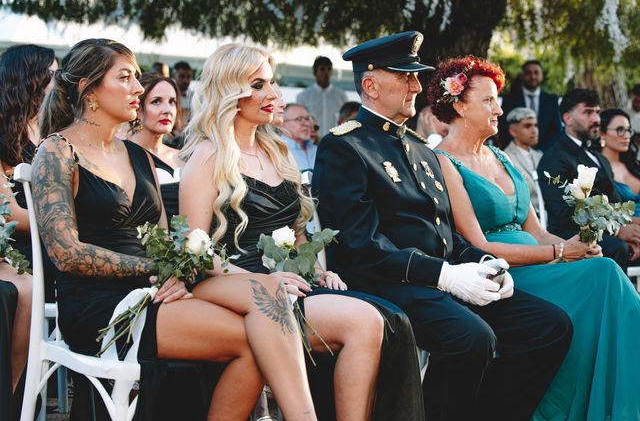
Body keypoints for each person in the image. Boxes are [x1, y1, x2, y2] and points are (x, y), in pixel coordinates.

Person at [34, 38, 322, 421]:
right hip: (98, 305)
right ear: (89, 89)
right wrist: (154, 273)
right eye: (125, 78)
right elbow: (66, 254)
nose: (139, 88)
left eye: (138, 77)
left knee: (267, 300)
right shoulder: (56, 151)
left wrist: (176, 275)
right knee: (257, 338)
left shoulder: (138, 155)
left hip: (155, 293)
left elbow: (170, 236)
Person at [313, 31, 573, 421]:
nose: (417, 85)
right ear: (370, 85)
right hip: (388, 280)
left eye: (416, 76)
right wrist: (444, 275)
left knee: (549, 326)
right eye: (405, 76)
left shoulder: (419, 148)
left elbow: (443, 231)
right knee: (470, 338)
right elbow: (359, 243)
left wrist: (484, 262)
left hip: (442, 276)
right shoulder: (345, 146)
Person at [180, 43, 424, 421]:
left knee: (369, 321)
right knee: (276, 291)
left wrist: (315, 269)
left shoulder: (277, 151)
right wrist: (264, 279)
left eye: (272, 83)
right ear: (230, 91)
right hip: (222, 279)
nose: (272, 94)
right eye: (257, 85)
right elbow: (193, 250)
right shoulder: (207, 156)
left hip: (284, 284)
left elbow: (296, 234)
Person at [430, 55, 640, 421]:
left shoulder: (500, 156)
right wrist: (558, 252)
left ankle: (610, 404)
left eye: (498, 98)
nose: (499, 109)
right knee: (606, 276)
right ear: (459, 105)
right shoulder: (443, 161)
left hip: (543, 260)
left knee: (602, 267)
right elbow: (479, 245)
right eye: (489, 100)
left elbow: (537, 231)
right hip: (503, 274)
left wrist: (573, 250)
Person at [0, 44, 57, 401]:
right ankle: (13, 394)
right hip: (22, 245)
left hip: (51, 244)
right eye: (53, 74)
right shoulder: (5, 137)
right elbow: (9, 215)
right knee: (29, 287)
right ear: (31, 81)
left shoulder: (52, 132)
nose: (60, 82)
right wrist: (61, 219)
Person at [538, 89, 640, 268]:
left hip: (606, 231)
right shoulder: (554, 157)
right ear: (567, 118)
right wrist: (617, 231)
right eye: (588, 112)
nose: (596, 119)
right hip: (571, 235)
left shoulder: (599, 158)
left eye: (597, 112)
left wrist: (632, 231)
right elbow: (564, 212)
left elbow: (614, 203)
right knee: (618, 247)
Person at [129, 73, 184, 220]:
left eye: (172, 101)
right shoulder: (124, 154)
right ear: (139, 109)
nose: (167, 110)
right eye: (156, 101)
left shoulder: (184, 156)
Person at [498, 60, 561, 150]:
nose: (532, 76)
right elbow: (503, 128)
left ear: (542, 76)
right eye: (528, 73)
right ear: (522, 76)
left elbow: (556, 130)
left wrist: (543, 151)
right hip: (516, 153)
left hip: (546, 153)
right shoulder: (509, 99)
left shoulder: (552, 100)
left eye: (536, 72)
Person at [503, 107, 546, 224]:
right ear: (513, 131)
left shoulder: (540, 156)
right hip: (525, 222)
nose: (534, 130)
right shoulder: (506, 158)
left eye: (535, 125)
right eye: (527, 126)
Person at [600, 108, 640, 215]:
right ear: (602, 134)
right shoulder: (595, 169)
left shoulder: (633, 164)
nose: (627, 136)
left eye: (628, 130)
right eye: (620, 130)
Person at [296, 56, 348, 137]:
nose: (326, 72)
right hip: (312, 142)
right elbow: (299, 122)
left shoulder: (341, 96)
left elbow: (346, 122)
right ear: (315, 72)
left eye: (329, 69)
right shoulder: (303, 96)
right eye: (322, 69)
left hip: (335, 142)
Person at [280, 103, 317, 172]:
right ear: (282, 123)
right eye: (299, 119)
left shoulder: (316, 148)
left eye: (307, 119)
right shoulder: (276, 151)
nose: (306, 124)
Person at [173, 61, 195, 127]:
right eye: (181, 76)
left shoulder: (195, 97)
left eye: (188, 77)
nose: (185, 80)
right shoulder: (167, 95)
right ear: (174, 75)